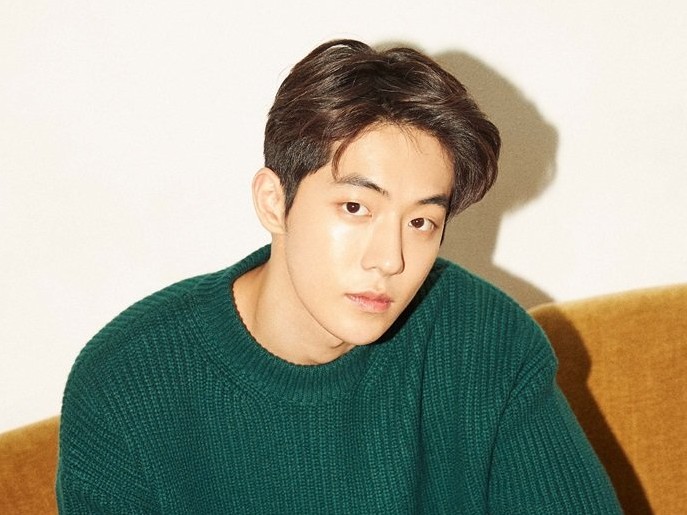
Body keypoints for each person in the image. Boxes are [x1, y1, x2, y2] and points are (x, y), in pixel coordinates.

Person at [56, 39, 621, 513]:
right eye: (356, 208)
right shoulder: (129, 381)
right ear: (274, 202)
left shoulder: (485, 342)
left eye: (421, 222)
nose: (390, 259)